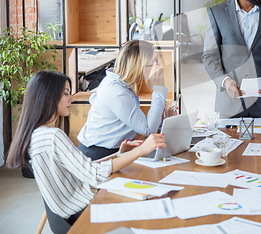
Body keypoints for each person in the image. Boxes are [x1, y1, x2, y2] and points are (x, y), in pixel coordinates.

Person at [6, 71, 166, 228]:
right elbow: (94, 174)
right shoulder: (53, 137)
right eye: (66, 94)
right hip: (83, 211)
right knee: (153, 207)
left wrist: (119, 154)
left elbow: (81, 169)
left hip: (68, 215)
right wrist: (141, 150)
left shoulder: (37, 136)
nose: (72, 98)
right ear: (48, 97)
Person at [78, 40, 173, 160]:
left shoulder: (122, 83)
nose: (158, 66)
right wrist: (159, 88)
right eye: (154, 62)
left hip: (114, 149)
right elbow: (148, 130)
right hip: (99, 154)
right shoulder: (117, 92)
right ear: (139, 66)